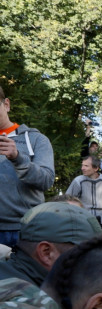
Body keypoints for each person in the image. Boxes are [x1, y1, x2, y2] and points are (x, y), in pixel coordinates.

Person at [0, 84, 55, 248]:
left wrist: (17, 158)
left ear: (6, 104)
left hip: (25, 231)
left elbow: (46, 180)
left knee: (29, 275)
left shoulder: (36, 139)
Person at [66, 155, 102, 222]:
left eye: (86, 166)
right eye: (82, 165)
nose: (82, 168)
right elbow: (67, 200)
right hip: (85, 221)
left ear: (96, 168)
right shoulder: (78, 181)